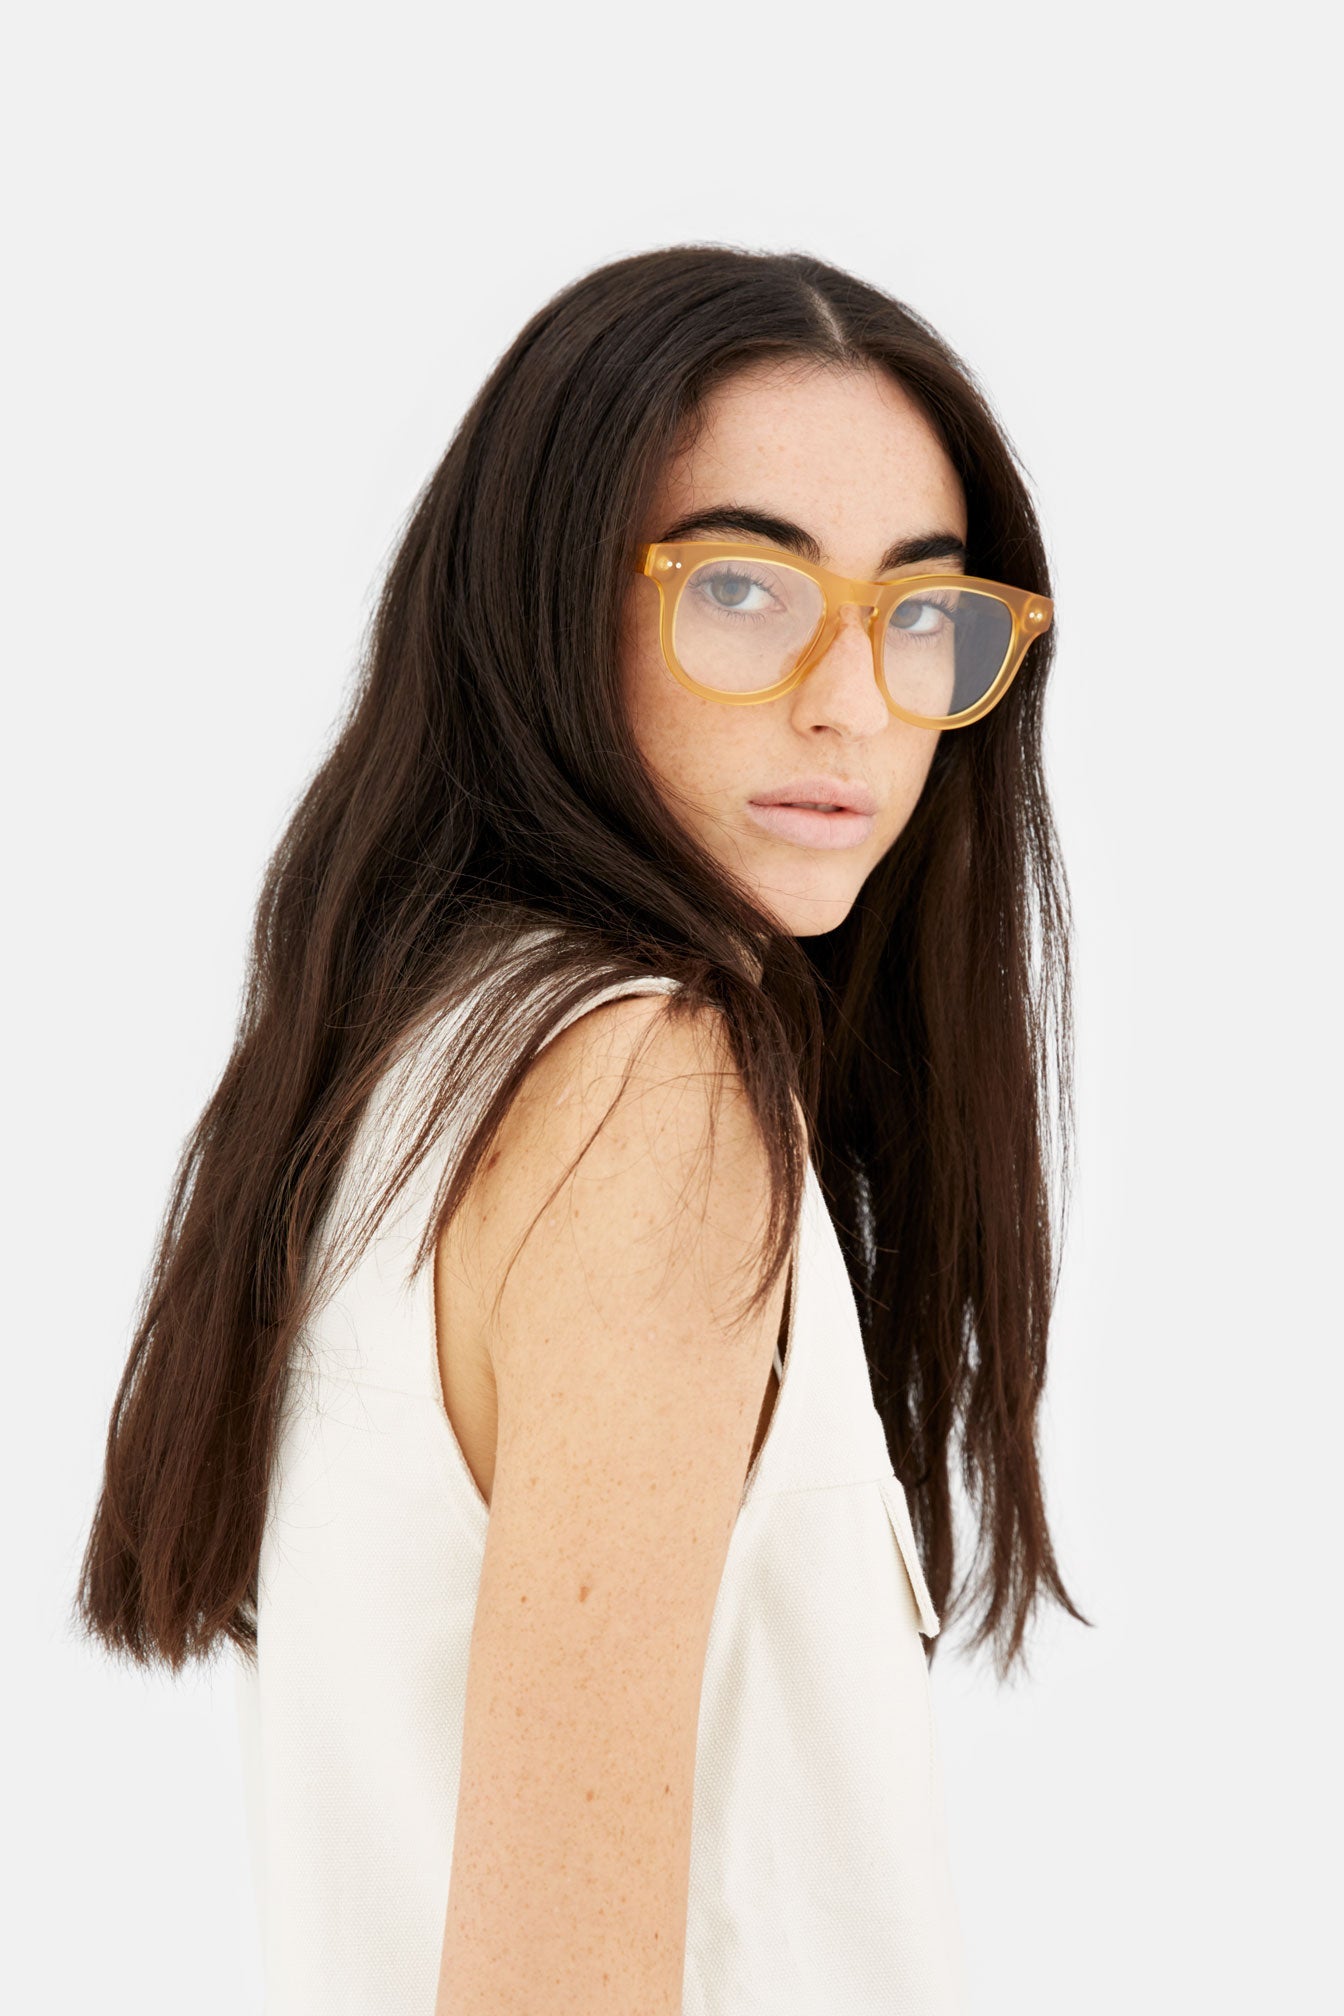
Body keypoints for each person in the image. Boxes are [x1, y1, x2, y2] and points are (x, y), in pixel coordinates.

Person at [72, 244, 1086, 2014]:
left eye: (923, 611)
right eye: (747, 586)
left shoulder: (436, 1059)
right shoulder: (648, 1094)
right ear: (545, 603)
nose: (855, 698)